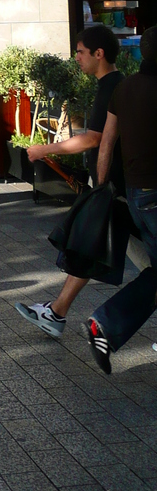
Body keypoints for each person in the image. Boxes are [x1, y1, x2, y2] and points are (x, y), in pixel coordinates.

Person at [14, 26, 123, 338]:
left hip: (116, 188)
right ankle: (56, 312)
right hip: (112, 187)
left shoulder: (111, 87)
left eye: (80, 52)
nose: (76, 58)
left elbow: (93, 139)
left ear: (98, 54)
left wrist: (44, 149)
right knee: (87, 246)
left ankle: (57, 312)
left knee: (99, 248)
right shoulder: (112, 85)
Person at [85, 25, 157, 373]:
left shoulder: (124, 88)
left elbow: (106, 143)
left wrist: (103, 192)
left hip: (134, 196)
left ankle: (107, 326)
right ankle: (106, 323)